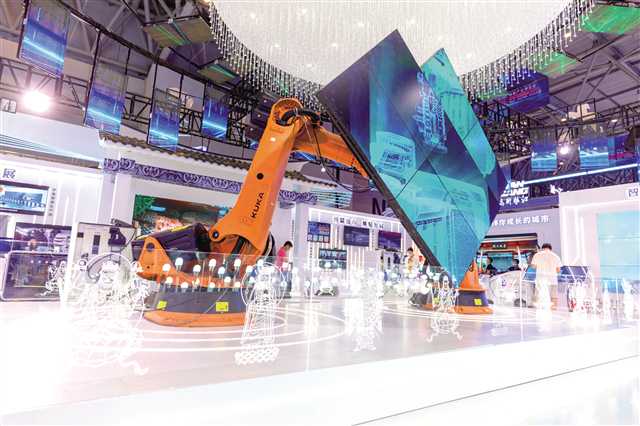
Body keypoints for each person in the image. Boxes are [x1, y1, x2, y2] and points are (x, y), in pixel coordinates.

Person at [530, 243, 562, 309]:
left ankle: (537, 311)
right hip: (552, 280)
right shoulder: (556, 256)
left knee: (538, 296)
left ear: (542, 248)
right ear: (550, 249)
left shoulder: (537, 255)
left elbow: (533, 266)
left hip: (540, 279)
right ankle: (554, 310)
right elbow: (558, 270)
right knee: (553, 297)